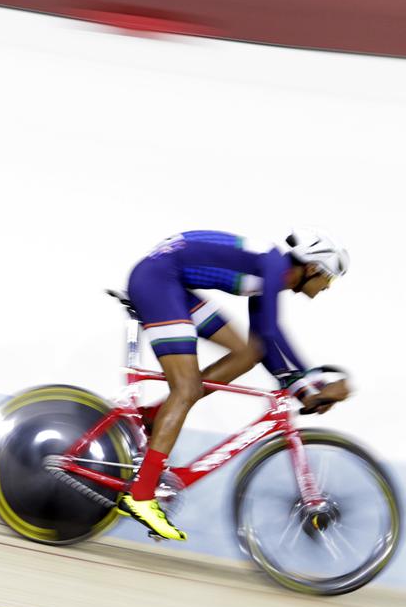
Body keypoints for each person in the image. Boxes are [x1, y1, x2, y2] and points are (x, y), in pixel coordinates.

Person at [120, 228, 351, 540]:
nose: (328, 287)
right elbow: (270, 331)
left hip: (169, 280)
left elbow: (264, 341)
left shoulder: (271, 275)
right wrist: (312, 379)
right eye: (330, 279)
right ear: (312, 268)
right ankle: (142, 494)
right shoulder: (272, 267)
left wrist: (301, 388)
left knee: (248, 351)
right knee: (186, 389)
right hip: (158, 280)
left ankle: (157, 416)